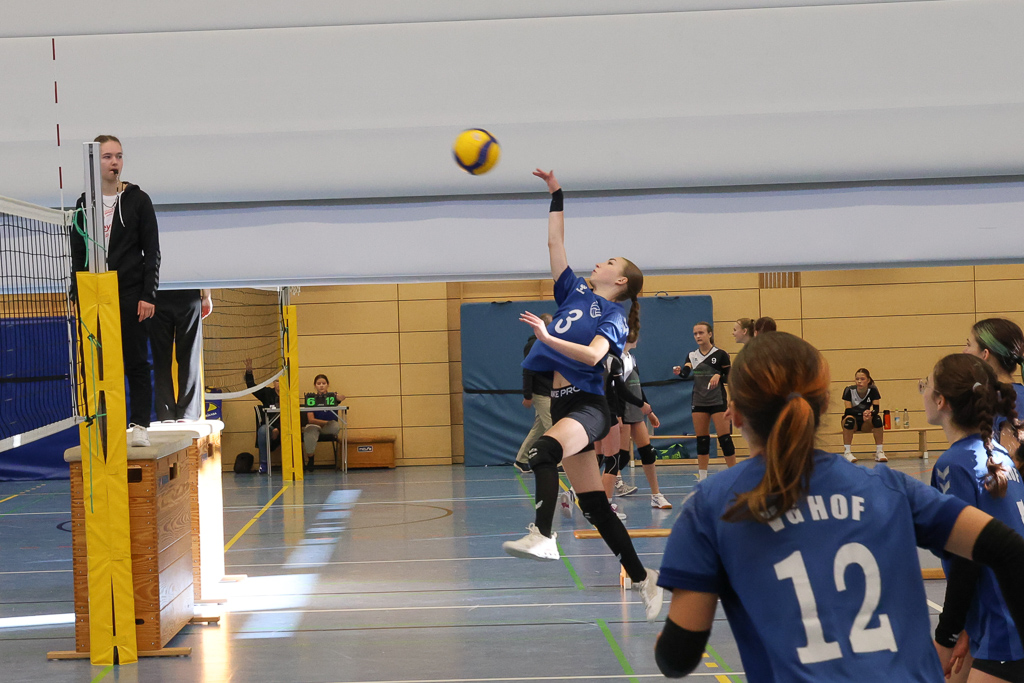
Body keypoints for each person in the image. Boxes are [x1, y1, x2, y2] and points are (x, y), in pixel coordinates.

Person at [654, 332, 1024, 681]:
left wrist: (665, 646)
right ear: (825, 405)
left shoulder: (711, 504)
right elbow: (1008, 549)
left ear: (734, 413)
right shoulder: (889, 487)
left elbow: (680, 655)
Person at [502, 168, 663, 621]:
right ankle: (643, 578)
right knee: (593, 505)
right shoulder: (573, 292)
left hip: (589, 406)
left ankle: (543, 535)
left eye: (610, 262)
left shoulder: (613, 316)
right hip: (561, 404)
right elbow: (555, 243)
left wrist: (547, 337)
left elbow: (594, 355)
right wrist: (556, 193)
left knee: (542, 452)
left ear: (621, 281)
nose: (600, 263)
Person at [924, 354, 1024, 682]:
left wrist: (946, 638)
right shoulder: (998, 454)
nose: (923, 391)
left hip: (1005, 629)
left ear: (941, 400)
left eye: (926, 385)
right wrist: (967, 626)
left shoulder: (954, 464)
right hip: (1003, 619)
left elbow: (966, 561)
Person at [70, 135, 160, 447]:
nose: (115, 162)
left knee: (136, 362)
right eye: (108, 156)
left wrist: (148, 295)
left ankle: (140, 425)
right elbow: (78, 254)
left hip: (131, 294)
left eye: (119, 156)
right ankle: (100, 425)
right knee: (97, 365)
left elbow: (152, 251)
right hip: (95, 296)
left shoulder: (139, 200)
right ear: (95, 162)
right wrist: (76, 293)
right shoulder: (84, 205)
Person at [672, 322, 735, 481]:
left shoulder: (720, 354)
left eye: (701, 333)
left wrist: (719, 375)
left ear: (710, 334)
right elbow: (685, 372)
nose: (698, 336)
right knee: (702, 439)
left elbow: (730, 377)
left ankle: (734, 474)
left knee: (724, 439)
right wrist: (679, 371)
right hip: (699, 401)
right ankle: (702, 477)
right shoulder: (692, 355)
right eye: (695, 334)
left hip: (717, 400)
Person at [617, 338, 671, 509]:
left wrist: (649, 412)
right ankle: (597, 493)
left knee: (647, 452)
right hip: (622, 411)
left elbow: (638, 388)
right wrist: (618, 414)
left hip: (636, 411)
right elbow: (615, 390)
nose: (638, 338)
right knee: (620, 457)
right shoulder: (616, 359)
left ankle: (656, 495)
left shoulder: (631, 358)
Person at [964, 318, 1024, 465]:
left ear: (984, 354)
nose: (964, 351)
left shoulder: (1012, 398)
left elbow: (1012, 464)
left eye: (969, 344)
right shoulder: (993, 395)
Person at [152, 289, 212, 421]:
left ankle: (165, 413)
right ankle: (187, 412)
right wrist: (207, 296)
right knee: (189, 355)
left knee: (161, 357)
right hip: (188, 292)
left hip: (158, 294)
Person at [514, 313, 555, 473]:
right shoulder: (533, 345)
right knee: (553, 427)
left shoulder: (547, 343)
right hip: (540, 393)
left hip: (548, 391)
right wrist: (528, 395)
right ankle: (559, 462)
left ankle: (521, 460)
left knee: (539, 429)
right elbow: (528, 371)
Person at [840, 368, 886, 463]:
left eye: (862, 379)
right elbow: (848, 410)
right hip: (853, 419)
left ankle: (879, 451)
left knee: (877, 419)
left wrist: (870, 413)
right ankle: (847, 452)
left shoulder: (873, 390)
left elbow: (876, 409)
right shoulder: (849, 390)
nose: (859, 381)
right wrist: (862, 413)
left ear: (868, 380)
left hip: (866, 421)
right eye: (857, 379)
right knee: (849, 421)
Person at [302, 374, 346, 471]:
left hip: (329, 426)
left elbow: (343, 397)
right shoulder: (311, 398)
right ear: (315, 386)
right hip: (315, 425)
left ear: (327, 385)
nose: (321, 386)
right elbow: (311, 419)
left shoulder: (332, 397)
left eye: (323, 383)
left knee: (335, 426)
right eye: (319, 384)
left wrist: (336, 396)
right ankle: (311, 458)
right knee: (309, 432)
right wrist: (324, 422)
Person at [245, 358, 279, 474]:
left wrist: (279, 429)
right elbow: (252, 387)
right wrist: (249, 373)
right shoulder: (267, 393)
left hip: (286, 427)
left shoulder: (291, 395)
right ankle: (264, 463)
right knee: (263, 430)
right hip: (270, 427)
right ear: (274, 383)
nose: (279, 383)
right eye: (277, 381)